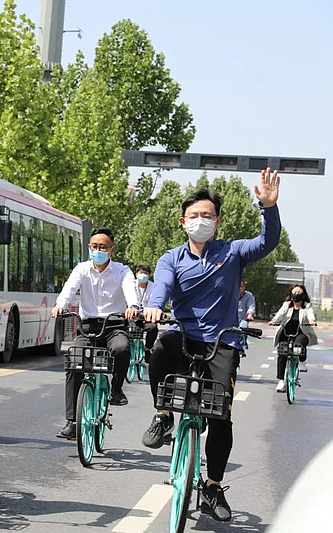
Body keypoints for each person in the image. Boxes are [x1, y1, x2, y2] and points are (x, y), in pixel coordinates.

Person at [142, 168, 281, 523]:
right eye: (194, 216)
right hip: (183, 335)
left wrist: (268, 208)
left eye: (207, 215)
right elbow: (162, 285)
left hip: (222, 341)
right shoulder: (171, 258)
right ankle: (163, 416)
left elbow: (267, 242)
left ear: (218, 221)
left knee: (220, 416)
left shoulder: (232, 252)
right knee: (160, 348)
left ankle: (213, 486)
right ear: (182, 221)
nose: (200, 221)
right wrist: (155, 306)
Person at [52, 228, 139, 440]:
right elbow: (69, 289)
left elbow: (130, 289)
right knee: (74, 360)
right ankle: (72, 421)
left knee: (121, 348)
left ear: (112, 250)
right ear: (89, 247)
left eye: (102, 247)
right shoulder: (82, 269)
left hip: (114, 326)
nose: (97, 250)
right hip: (87, 327)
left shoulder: (122, 271)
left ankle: (116, 389)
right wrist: (60, 305)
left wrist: (133, 306)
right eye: (94, 246)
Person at [269, 284, 318, 390]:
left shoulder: (307, 306)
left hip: (301, 332)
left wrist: (312, 321)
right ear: (291, 294)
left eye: (299, 292)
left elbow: (310, 315)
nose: (296, 294)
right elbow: (280, 314)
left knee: (298, 345)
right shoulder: (286, 305)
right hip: (285, 332)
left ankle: (302, 361)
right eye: (294, 292)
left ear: (303, 295)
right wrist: (274, 321)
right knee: (282, 353)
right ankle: (281, 381)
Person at [134, 265, 158, 355]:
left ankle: (147, 348)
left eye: (145, 273)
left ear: (149, 275)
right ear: (136, 274)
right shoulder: (131, 284)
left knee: (153, 327)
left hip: (147, 315)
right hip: (133, 315)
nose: (143, 275)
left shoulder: (153, 286)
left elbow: (155, 301)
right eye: (141, 273)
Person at [237, 280, 256, 355]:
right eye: (238, 286)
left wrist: (250, 315)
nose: (240, 288)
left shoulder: (249, 295)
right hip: (231, 319)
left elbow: (251, 306)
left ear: (244, 287)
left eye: (241, 286)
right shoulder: (231, 294)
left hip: (243, 319)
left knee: (244, 327)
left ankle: (242, 348)